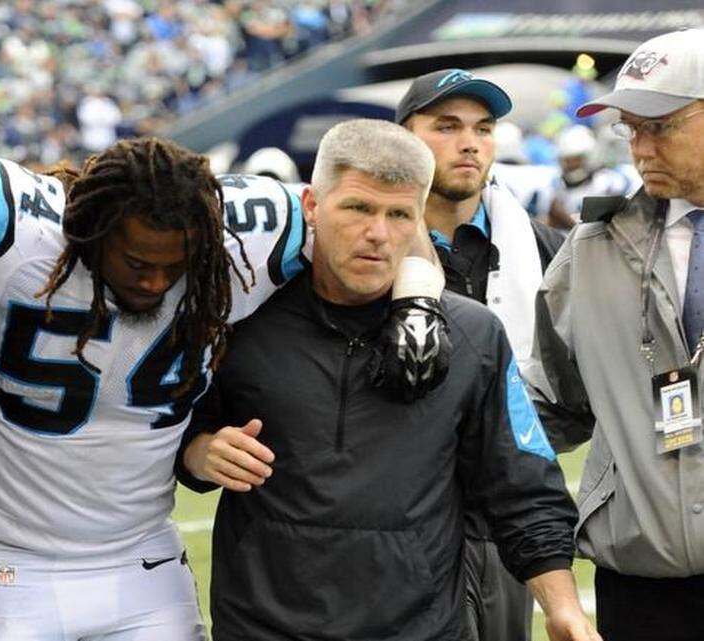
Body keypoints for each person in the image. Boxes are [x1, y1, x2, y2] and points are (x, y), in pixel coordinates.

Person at [0, 133, 453, 638]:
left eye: (178, 266)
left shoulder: (247, 234)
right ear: (85, 234)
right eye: (136, 262)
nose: (158, 280)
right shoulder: (5, 229)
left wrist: (418, 294)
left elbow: (391, 220)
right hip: (5, 561)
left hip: (143, 561)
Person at [177, 118, 597, 641]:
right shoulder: (243, 320)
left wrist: (564, 608)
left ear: (419, 218)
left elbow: (522, 485)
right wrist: (201, 451)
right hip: (265, 624)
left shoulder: (471, 334)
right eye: (357, 208)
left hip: (418, 628)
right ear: (311, 205)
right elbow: (174, 434)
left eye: (399, 214)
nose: (378, 234)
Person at [527, 28, 704, 641]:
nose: (640, 147)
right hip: (641, 580)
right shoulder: (593, 248)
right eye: (631, 128)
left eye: (662, 125)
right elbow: (548, 403)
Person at [395, 68, 566, 641]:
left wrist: (513, 440)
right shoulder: (367, 247)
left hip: (499, 520)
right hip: (392, 513)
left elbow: (579, 385)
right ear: (404, 138)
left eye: (483, 128)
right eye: (446, 126)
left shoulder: (544, 250)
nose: (469, 142)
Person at [553, 124, 635, 225]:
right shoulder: (558, 186)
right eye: (566, 161)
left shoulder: (608, 181)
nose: (570, 165)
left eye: (575, 160)